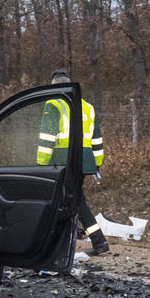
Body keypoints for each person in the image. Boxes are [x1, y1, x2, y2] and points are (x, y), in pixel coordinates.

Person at [38, 69, 109, 255]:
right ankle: (95, 241)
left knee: (66, 200)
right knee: (74, 200)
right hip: (83, 161)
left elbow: (47, 139)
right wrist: (96, 163)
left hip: (61, 161)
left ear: (54, 87)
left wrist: (40, 165)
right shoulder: (87, 107)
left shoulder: (53, 104)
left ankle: (56, 244)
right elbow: (97, 141)